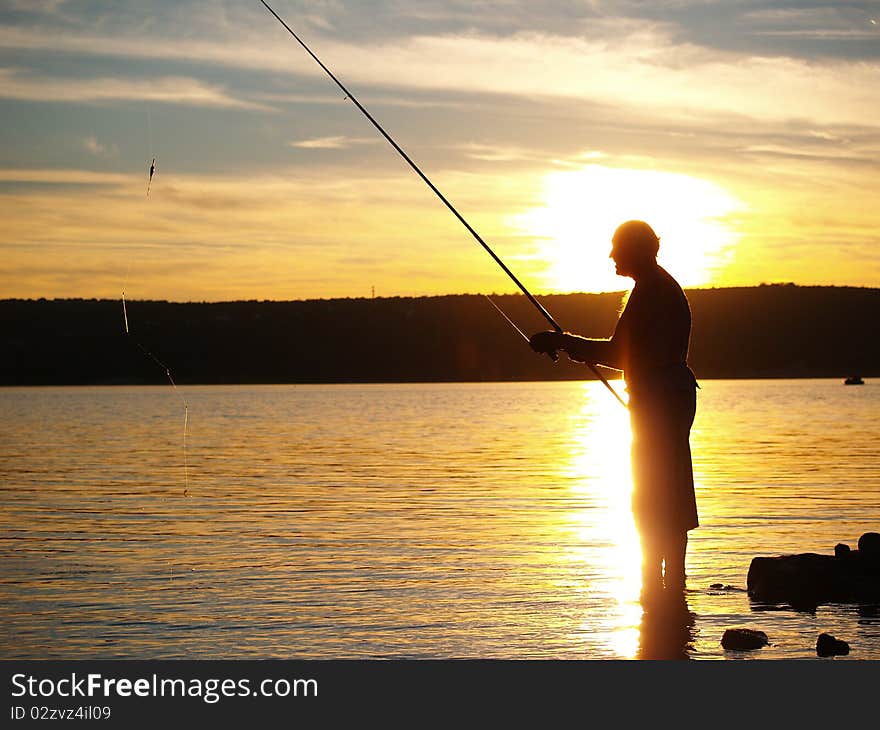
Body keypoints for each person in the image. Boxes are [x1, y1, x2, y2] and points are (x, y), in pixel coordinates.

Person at [529, 220, 698, 600]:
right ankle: (668, 591)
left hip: (662, 399)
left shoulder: (654, 290)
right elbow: (626, 353)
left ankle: (661, 592)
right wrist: (568, 344)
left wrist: (561, 341)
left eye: (616, 247)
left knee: (656, 493)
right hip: (665, 395)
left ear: (637, 250)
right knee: (664, 492)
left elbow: (617, 352)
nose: (611, 255)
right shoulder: (653, 287)